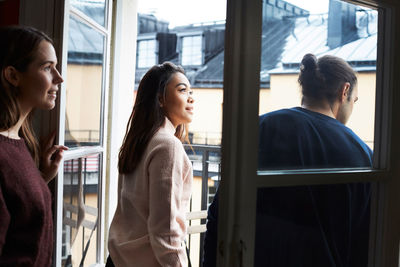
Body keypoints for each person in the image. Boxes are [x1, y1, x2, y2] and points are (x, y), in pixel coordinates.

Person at [203, 54, 372, 267]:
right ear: (344, 91)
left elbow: (220, 214)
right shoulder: (362, 153)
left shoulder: (258, 128)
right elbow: (364, 243)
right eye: (354, 101)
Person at [107, 62, 195, 267]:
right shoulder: (168, 146)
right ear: (160, 98)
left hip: (118, 259)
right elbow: (165, 230)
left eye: (191, 91)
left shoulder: (139, 139)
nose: (191, 97)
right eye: (182, 90)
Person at [0, 25, 67, 266]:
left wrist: (39, 179)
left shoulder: (19, 142)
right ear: (13, 75)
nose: (59, 78)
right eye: (47, 68)